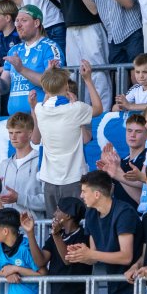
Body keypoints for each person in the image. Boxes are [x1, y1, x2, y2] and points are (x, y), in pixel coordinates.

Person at [70, 170, 139, 294]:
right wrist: (79, 254)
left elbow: (126, 256)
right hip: (113, 287)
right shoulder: (91, 214)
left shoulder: (124, 212)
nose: (81, 195)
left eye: (84, 191)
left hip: (135, 286)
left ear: (97, 194)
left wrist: (91, 255)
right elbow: (93, 255)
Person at [33, 65, 102, 212]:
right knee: (77, 225)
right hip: (74, 179)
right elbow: (98, 108)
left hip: (49, 181)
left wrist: (49, 72)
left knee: (55, 226)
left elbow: (47, 95)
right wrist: (88, 80)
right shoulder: (76, 108)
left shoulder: (39, 109)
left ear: (45, 88)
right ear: (66, 86)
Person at [0, 112, 46, 221]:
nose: (13, 137)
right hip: (7, 230)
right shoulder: (4, 164)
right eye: (10, 133)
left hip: (33, 230)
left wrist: (19, 198)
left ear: (30, 133)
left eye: (18, 132)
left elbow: (48, 201)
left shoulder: (42, 161)